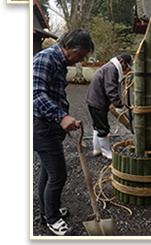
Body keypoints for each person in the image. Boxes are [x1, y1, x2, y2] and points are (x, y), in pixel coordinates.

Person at [33, 29, 95, 236]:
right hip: (40, 125)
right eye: (81, 55)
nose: (81, 60)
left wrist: (64, 117)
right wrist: (60, 116)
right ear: (69, 48)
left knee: (47, 172)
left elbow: (54, 94)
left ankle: (46, 212)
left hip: (49, 125)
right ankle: (52, 220)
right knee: (58, 175)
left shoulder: (58, 63)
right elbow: (35, 94)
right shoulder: (46, 58)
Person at [85, 53, 134, 160]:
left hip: (94, 100)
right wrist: (118, 104)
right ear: (121, 62)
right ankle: (106, 152)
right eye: (126, 66)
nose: (126, 70)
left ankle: (96, 150)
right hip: (97, 101)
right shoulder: (111, 69)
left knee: (97, 126)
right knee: (103, 128)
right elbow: (111, 89)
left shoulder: (110, 67)